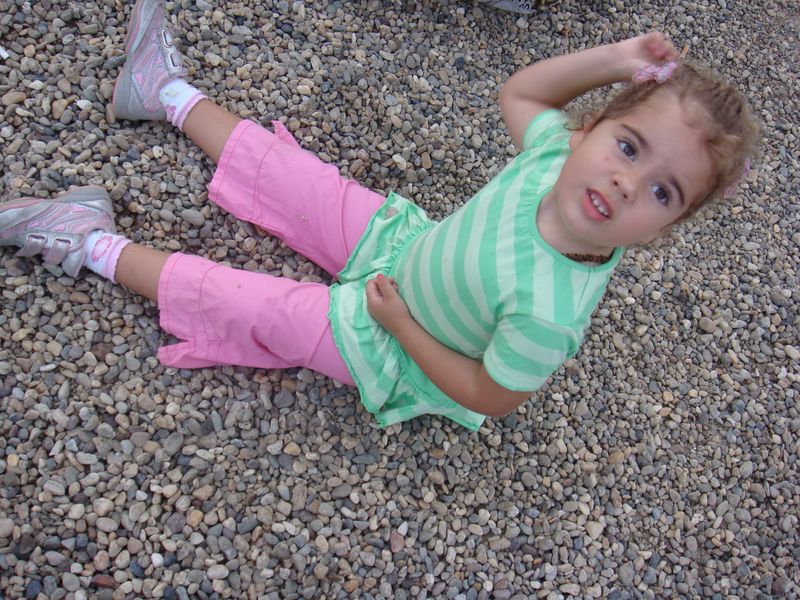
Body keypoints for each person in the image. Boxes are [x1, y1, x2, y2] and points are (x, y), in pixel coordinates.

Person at [0, 0, 758, 431]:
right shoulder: (557, 153)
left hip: (394, 344)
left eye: (663, 192)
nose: (627, 183)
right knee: (292, 175)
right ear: (591, 127)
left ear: (666, 228)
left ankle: (86, 242)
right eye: (628, 146)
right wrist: (618, 58)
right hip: (407, 247)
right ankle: (164, 93)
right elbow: (521, 93)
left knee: (249, 302)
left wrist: (400, 327)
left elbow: (490, 395)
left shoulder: (551, 314)